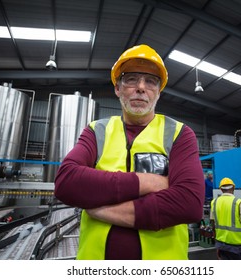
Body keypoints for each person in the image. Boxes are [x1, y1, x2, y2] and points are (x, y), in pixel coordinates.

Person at [54, 44, 205, 260]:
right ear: (118, 88)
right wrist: (150, 183)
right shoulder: (97, 130)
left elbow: (189, 204)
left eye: (151, 81)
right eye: (131, 79)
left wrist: (102, 209)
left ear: (158, 92)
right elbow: (66, 182)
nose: (141, 87)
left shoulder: (179, 134)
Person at [210, 177, 241, 260]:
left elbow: (213, 227)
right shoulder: (239, 203)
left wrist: (217, 247)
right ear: (233, 188)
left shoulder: (214, 203)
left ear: (221, 189)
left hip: (223, 248)